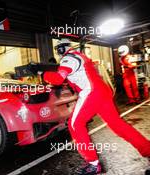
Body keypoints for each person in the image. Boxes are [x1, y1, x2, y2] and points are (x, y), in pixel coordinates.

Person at [44, 39, 150, 175]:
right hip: (102, 92)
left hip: (92, 92)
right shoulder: (79, 56)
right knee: (119, 126)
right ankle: (148, 150)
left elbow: (58, 78)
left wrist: (44, 74)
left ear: (60, 49)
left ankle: (93, 164)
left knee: (75, 125)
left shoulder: (68, 58)